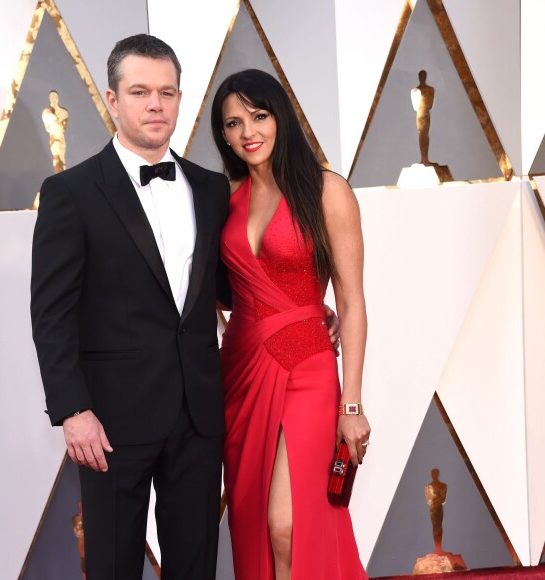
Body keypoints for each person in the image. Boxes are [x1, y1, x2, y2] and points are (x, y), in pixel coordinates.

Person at [31, 34, 230, 579]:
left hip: (198, 413)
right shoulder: (70, 192)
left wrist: (308, 305)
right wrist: (73, 410)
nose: (155, 104)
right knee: (114, 567)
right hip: (110, 420)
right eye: (140, 91)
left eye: (166, 92)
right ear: (113, 100)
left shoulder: (211, 188)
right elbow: (51, 314)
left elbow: (229, 287)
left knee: (195, 566)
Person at [211, 69, 370, 579]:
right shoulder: (225, 200)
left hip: (308, 369)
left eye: (258, 116)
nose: (247, 132)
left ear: (281, 116)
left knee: (288, 523)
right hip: (239, 372)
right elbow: (212, 291)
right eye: (232, 123)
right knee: (254, 523)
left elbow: (351, 298)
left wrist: (353, 403)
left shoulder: (327, 191)